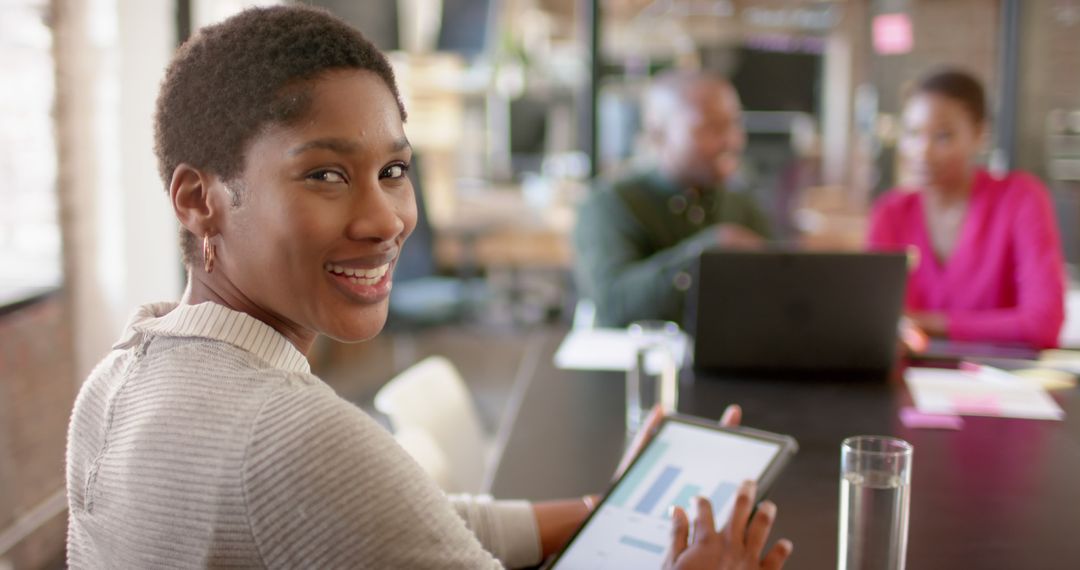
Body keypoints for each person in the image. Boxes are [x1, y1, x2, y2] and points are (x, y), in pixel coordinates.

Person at [64, 6, 793, 569]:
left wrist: (606, 510)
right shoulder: (292, 435)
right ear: (198, 199)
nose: (386, 220)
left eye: (393, 171)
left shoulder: (115, 381)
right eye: (325, 173)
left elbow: (414, 520)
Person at [868, 68, 1066, 348]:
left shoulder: (1021, 198)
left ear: (979, 134)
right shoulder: (890, 212)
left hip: (1001, 382)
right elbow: (875, 320)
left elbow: (1043, 324)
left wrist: (927, 323)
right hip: (913, 380)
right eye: (912, 133)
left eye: (943, 136)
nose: (922, 151)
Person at [574, 71, 771, 328]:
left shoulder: (741, 202)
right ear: (658, 134)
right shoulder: (610, 205)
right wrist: (706, 255)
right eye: (710, 128)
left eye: (734, 124)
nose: (731, 141)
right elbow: (615, 305)